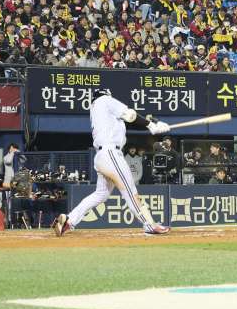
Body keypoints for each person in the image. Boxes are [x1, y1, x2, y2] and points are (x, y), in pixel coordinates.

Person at [53, 94, 172, 236]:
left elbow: (129, 123)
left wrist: (152, 126)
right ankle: (150, 226)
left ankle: (70, 220)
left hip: (103, 156)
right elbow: (130, 115)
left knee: (101, 194)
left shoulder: (101, 113)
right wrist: (150, 125)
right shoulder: (103, 100)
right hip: (111, 154)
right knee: (130, 190)